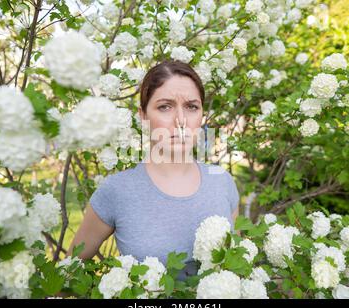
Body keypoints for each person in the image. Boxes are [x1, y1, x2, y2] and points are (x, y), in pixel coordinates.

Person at [67, 60, 240, 280]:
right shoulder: (117, 191)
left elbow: (238, 268)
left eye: (191, 107)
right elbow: (67, 275)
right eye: (164, 107)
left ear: (202, 114)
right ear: (143, 116)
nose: (180, 121)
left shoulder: (222, 183)